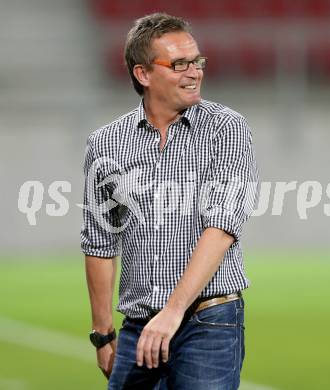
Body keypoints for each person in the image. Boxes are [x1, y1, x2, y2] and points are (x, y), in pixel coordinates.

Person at [81, 12, 258, 390]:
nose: (194, 72)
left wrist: (173, 312)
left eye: (197, 61)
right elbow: (99, 242)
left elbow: (222, 226)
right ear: (143, 74)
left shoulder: (226, 128)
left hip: (209, 322)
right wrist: (103, 333)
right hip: (137, 327)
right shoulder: (105, 143)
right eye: (179, 64)